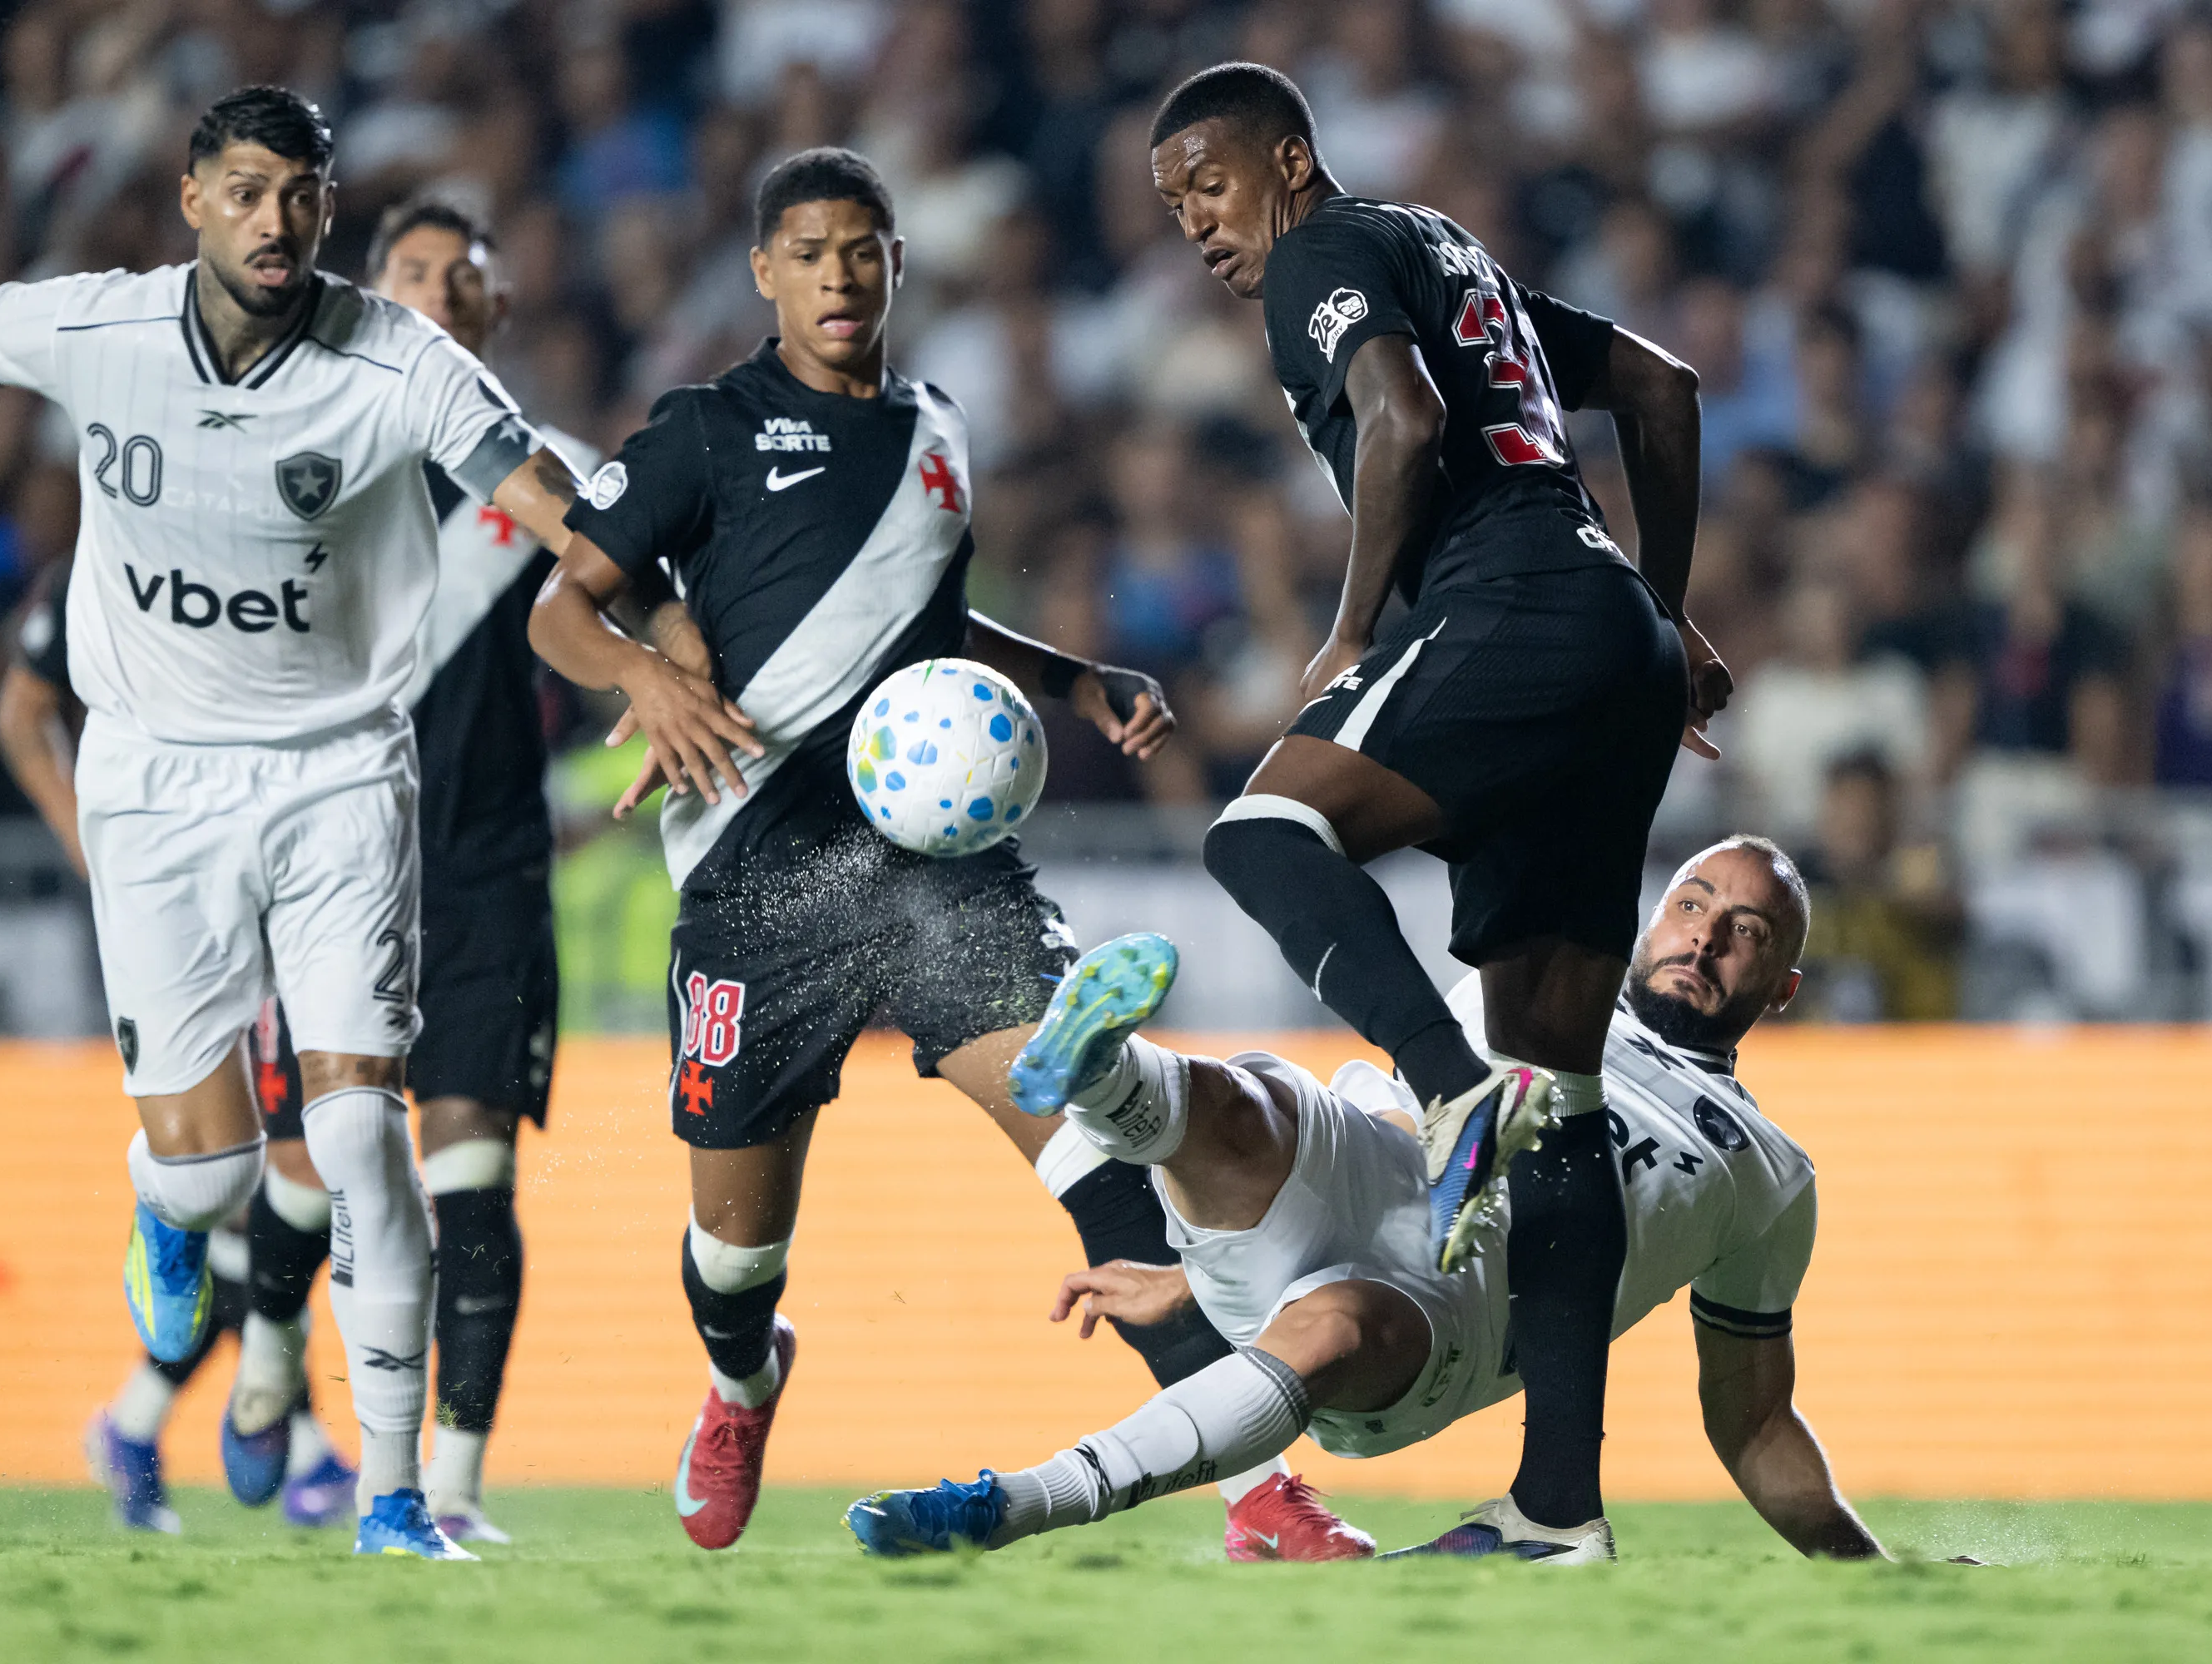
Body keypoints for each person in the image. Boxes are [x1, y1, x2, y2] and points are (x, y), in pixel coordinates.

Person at [0, 84, 586, 1560]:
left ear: (326, 209)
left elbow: (557, 502)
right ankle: (169, 1217)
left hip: (333, 772)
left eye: (301, 195)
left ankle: (394, 1498)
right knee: (209, 1168)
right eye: (245, 190)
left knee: (362, 1129)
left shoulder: (398, 359)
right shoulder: (95, 326)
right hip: (155, 779)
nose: (275, 221)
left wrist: (670, 634)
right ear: (191, 197)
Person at [530, 146, 1371, 1562]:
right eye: (809, 252)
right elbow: (564, 609)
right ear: (764, 273)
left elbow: (918, 630)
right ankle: (744, 1382)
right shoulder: (705, 429)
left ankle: (1254, 1491)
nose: (840, 275)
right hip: (757, 875)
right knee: (734, 1254)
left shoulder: (935, 427)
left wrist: (1070, 675)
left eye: (864, 248)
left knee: (1094, 1137)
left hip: (932, 868)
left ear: (899, 263)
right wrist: (644, 679)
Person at [1146, 62, 1727, 1556]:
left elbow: (1397, 419)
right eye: (1174, 208)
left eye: (1209, 187)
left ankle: (1439, 1083)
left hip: (1510, 602)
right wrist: (1661, 627)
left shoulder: (1323, 256)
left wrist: (1350, 636)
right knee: (1568, 1084)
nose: (1200, 226)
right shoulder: (1445, 249)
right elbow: (1665, 386)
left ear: (1288, 163)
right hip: (1608, 639)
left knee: (1262, 832)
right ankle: (1558, 1510)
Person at [851, 839, 1884, 1565]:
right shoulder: (1520, 992)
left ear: (1782, 983)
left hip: (1458, 1319)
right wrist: (1192, 1276)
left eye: (1744, 930)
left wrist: (1870, 1573)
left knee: (1338, 1326)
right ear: (1656, 911)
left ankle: (1004, 1505)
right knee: (1261, 1099)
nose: (1703, 939)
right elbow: (1398, 1111)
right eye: (1693, 903)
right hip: (1385, 1171)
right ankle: (1101, 1074)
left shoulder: (1772, 1171)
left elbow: (1752, 1419)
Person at [221, 198, 595, 1547]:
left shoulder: (554, 478)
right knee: (307, 1177)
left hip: (489, 874)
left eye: (466, 279)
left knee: (471, 1181)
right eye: (416, 274)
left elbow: (634, 599)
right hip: (333, 866)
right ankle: (269, 1347)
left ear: (496, 315)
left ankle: (451, 1490)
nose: (441, 294)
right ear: (378, 299)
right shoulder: (303, 456)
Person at [0, 561, 357, 1535]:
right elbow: (20, 714)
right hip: (180, 913)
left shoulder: (277, 544)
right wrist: (101, 859)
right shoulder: (107, 568)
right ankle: (294, 1442)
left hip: (283, 889)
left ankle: (146, 1422)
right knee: (246, 1182)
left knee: (282, 1181)